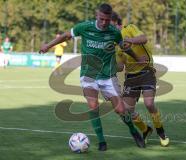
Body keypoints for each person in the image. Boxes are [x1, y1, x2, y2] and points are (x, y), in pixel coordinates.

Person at [39, 3, 145, 151]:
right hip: (89, 75)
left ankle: (133, 131)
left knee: (120, 110)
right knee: (93, 105)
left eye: (107, 20)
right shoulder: (84, 27)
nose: (104, 23)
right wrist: (48, 46)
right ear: (97, 16)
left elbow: (123, 47)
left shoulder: (114, 32)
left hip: (108, 76)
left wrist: (137, 57)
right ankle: (102, 141)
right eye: (101, 19)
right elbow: (65, 36)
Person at [111, 12, 169, 146]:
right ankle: (145, 129)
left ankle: (160, 131)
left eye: (111, 25)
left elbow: (143, 38)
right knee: (126, 110)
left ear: (117, 23)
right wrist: (109, 65)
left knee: (149, 104)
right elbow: (120, 67)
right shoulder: (115, 43)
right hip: (131, 77)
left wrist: (128, 41)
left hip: (146, 72)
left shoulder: (129, 28)